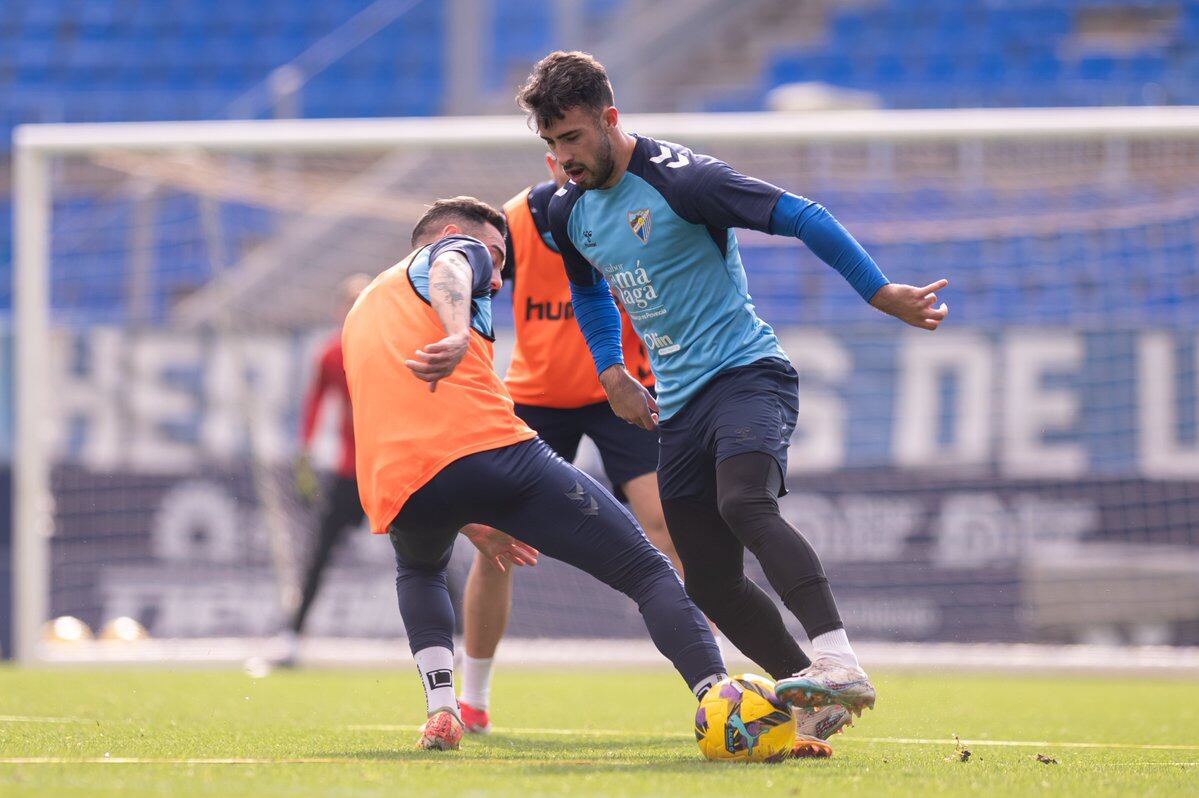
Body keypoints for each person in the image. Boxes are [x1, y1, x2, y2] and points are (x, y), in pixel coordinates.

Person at [518, 51, 950, 721]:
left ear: (609, 117)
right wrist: (611, 371)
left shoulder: (681, 181)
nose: (563, 156)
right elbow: (588, 290)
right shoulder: (570, 214)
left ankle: (837, 658)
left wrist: (878, 290)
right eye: (549, 143)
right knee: (712, 583)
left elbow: (802, 214)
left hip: (747, 374)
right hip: (680, 405)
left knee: (744, 504)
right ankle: (813, 697)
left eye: (571, 137)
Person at [341, 196, 728, 752]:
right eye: (497, 259)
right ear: (454, 233)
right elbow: (455, 264)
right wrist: (455, 331)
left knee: (420, 571)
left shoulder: (364, 308)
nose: (498, 278)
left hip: (400, 483)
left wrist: (466, 514)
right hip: (493, 452)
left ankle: (443, 707)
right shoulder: (454, 253)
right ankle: (719, 697)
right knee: (649, 571)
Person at [456, 153, 679, 736]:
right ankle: (472, 696)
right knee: (496, 540)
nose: (573, 168)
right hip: (536, 397)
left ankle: (716, 678)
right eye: (561, 156)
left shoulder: (631, 210)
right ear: (550, 158)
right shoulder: (513, 221)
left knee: (670, 524)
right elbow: (477, 300)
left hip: (622, 388)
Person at [279, 274, 372, 666]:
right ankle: (292, 637)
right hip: (350, 471)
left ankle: (459, 641)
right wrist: (305, 453)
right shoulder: (331, 355)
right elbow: (315, 404)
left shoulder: (392, 349)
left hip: (390, 468)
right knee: (318, 553)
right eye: (348, 302)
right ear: (339, 309)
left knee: (430, 550)